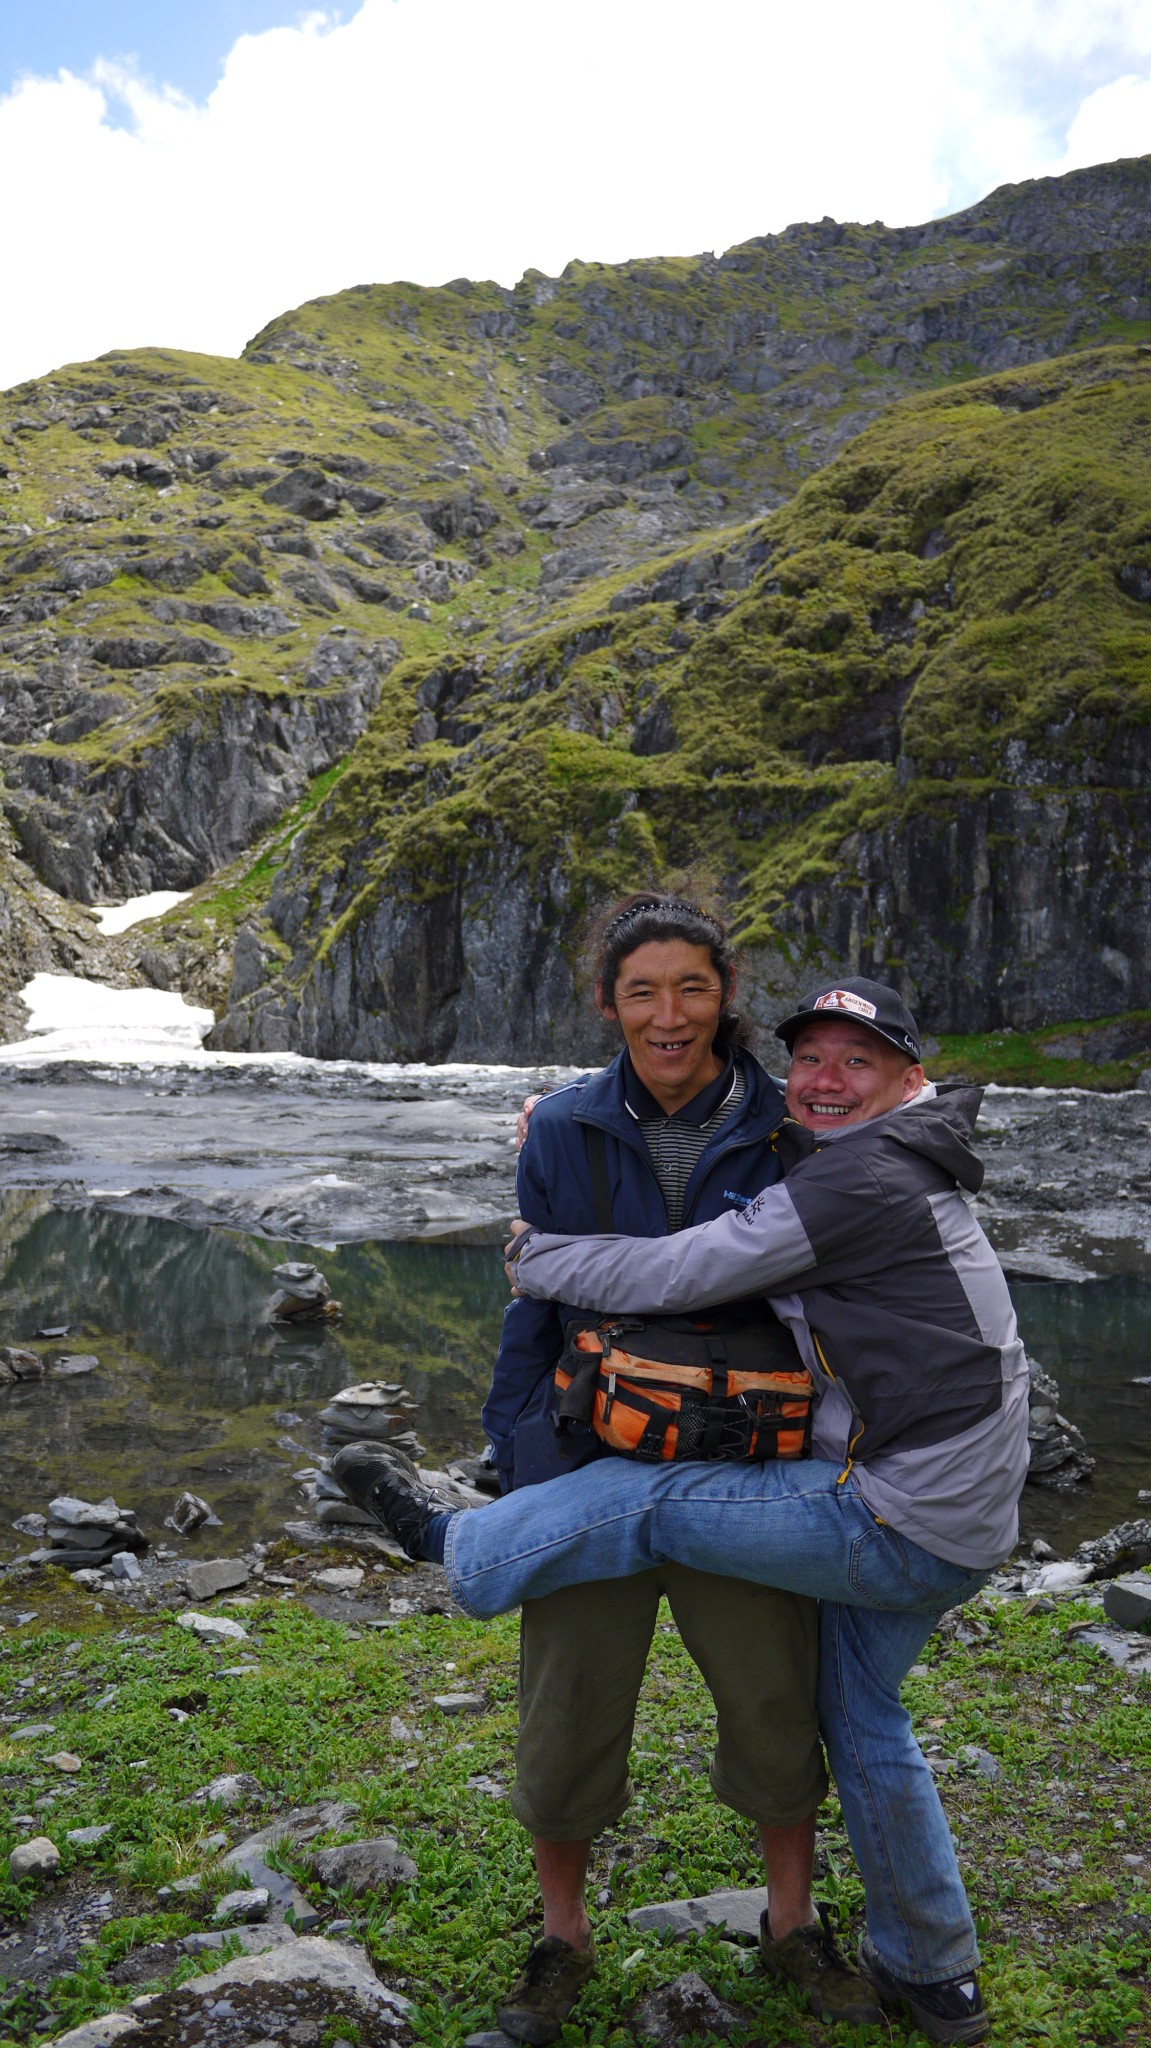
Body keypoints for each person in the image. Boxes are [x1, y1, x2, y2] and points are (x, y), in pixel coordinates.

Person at [339, 975, 1031, 2047]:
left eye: (856, 1060)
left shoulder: (861, 1170)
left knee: (653, 1500)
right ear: (611, 1008)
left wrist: (534, 1255)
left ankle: (454, 1543)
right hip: (955, 1501)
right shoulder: (855, 1148)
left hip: (894, 1509)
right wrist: (566, 1116)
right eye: (811, 1057)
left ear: (909, 1077)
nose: (824, 1078)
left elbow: (691, 1263)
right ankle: (931, 1968)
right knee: (863, 1721)